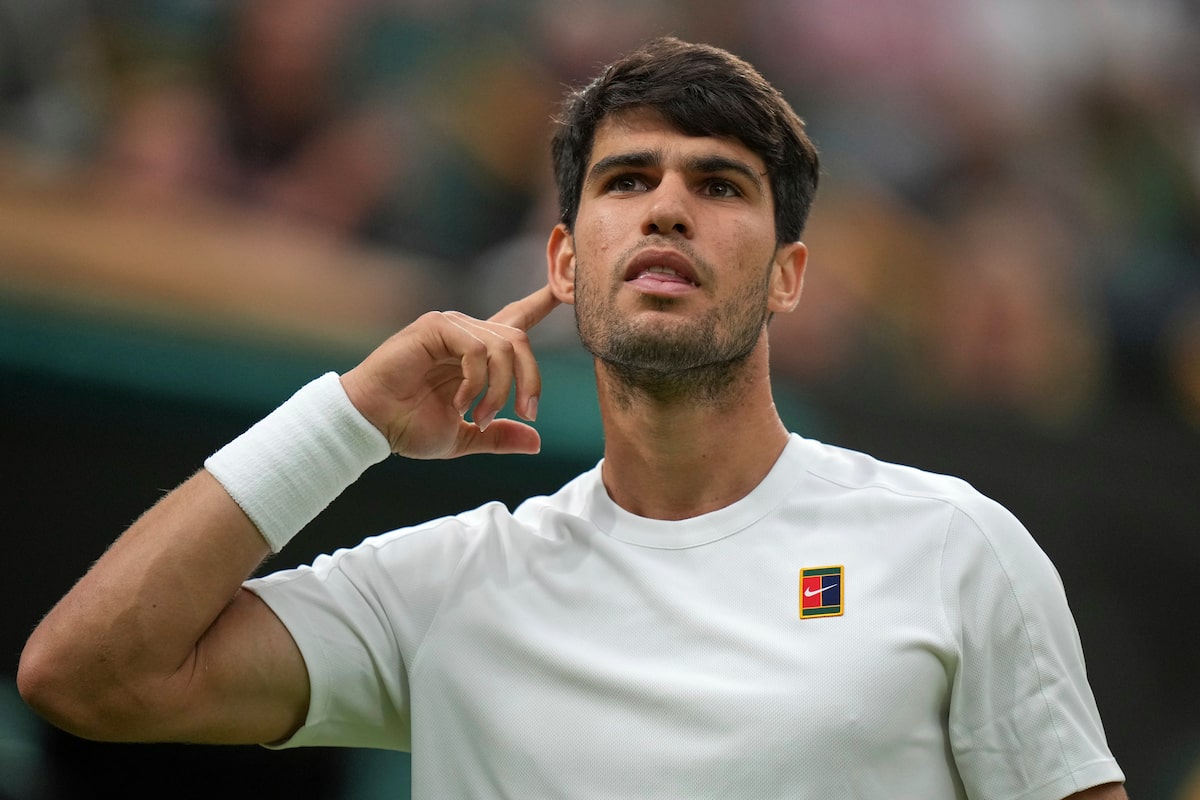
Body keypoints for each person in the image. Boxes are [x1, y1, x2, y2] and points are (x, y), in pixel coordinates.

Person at [18, 38, 1126, 799]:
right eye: (627, 178)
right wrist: (349, 415)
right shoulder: (455, 583)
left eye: (721, 185)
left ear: (789, 276)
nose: (669, 206)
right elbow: (88, 671)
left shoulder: (951, 544)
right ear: (564, 259)